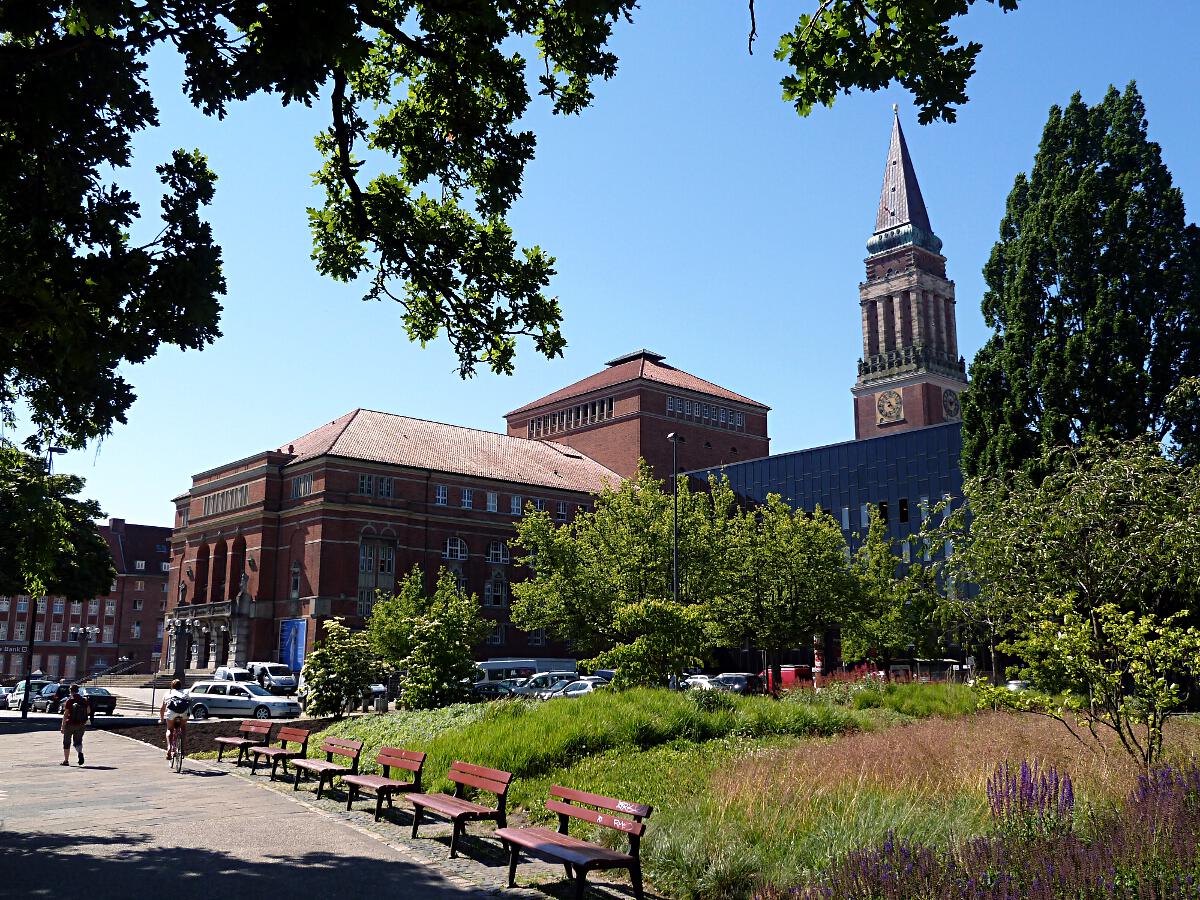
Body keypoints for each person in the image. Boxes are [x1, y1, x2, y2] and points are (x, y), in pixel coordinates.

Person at [159, 679, 191, 761]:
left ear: (172, 686)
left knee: (169, 729)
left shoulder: (168, 693)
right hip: (184, 713)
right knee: (183, 727)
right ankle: (182, 748)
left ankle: (169, 747)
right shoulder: (186, 692)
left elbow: (162, 708)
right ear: (181, 685)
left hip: (171, 713)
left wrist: (161, 719)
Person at [60, 684, 89, 766]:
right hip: (81, 724)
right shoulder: (84, 700)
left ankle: (66, 761)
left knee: (66, 742)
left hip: (70, 724)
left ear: (71, 691)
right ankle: (80, 752)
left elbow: (66, 714)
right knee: (78, 742)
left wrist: (62, 726)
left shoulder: (69, 701)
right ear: (78, 690)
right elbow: (88, 711)